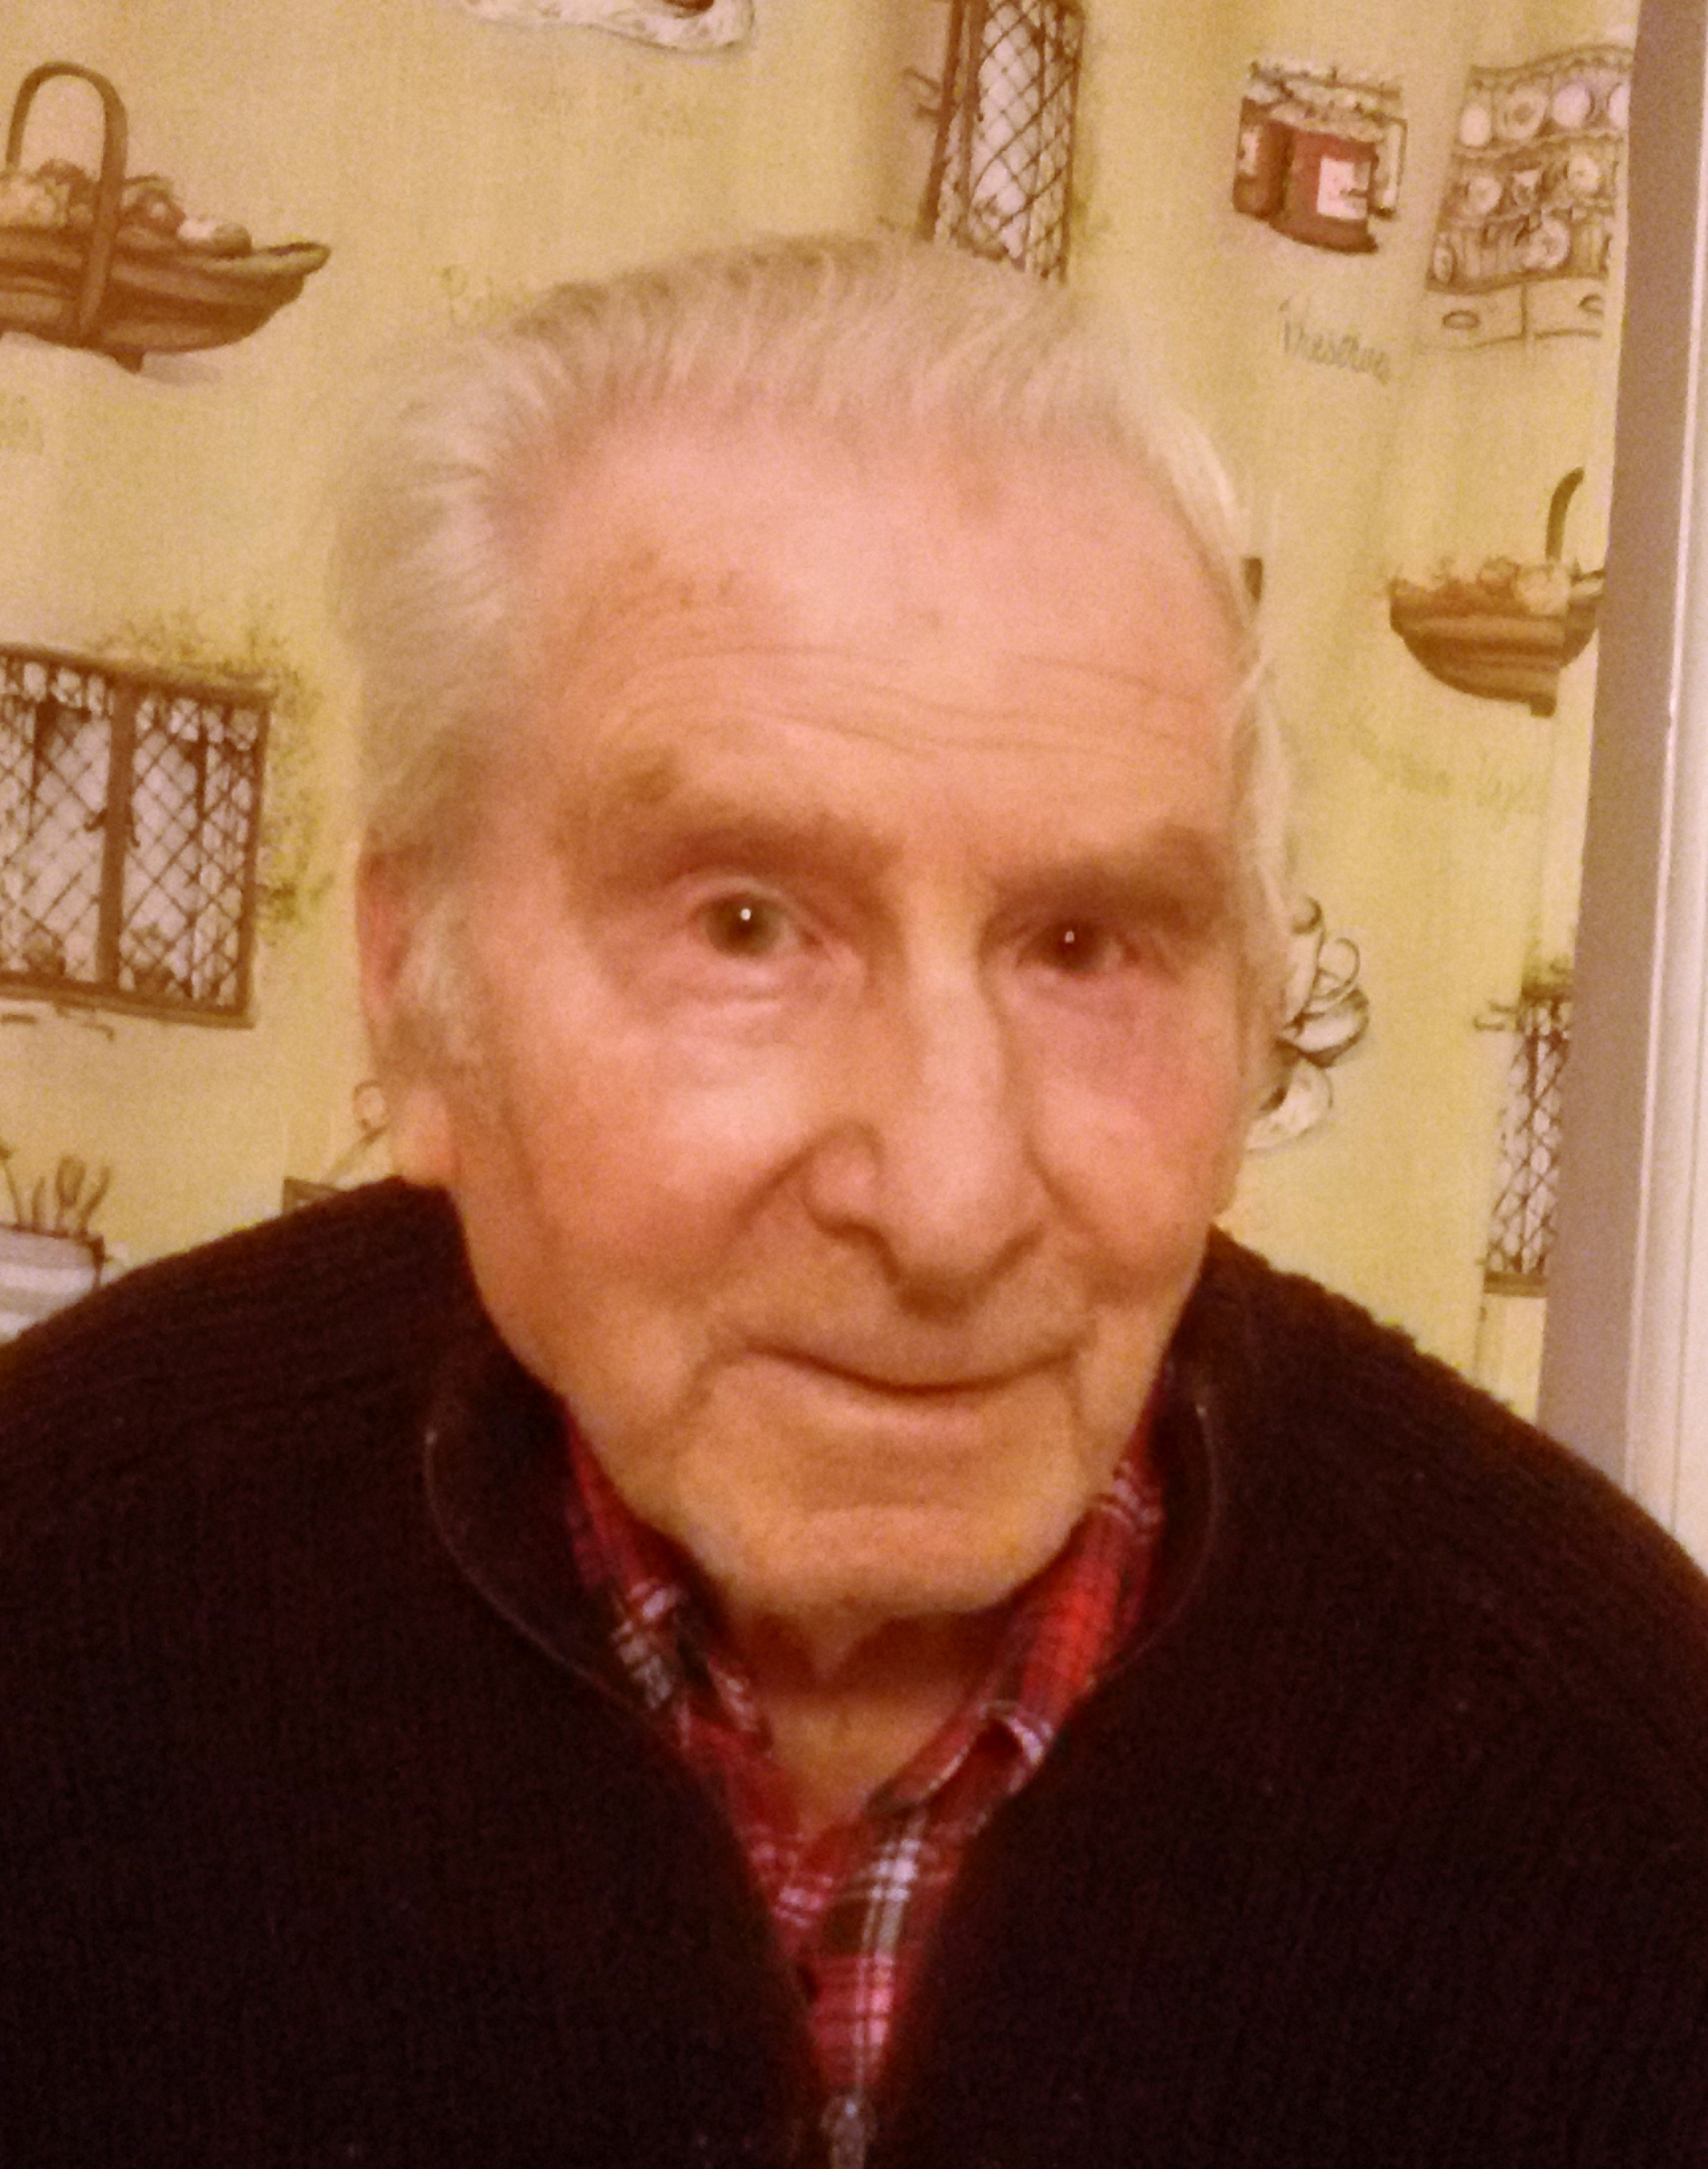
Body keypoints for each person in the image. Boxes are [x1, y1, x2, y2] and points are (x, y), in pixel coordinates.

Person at [1, 236, 1705, 2169]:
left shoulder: (1615, 1797)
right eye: (745, 926)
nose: (949, 1203)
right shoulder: (55, 1617)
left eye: (1084, 945)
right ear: (416, 991)